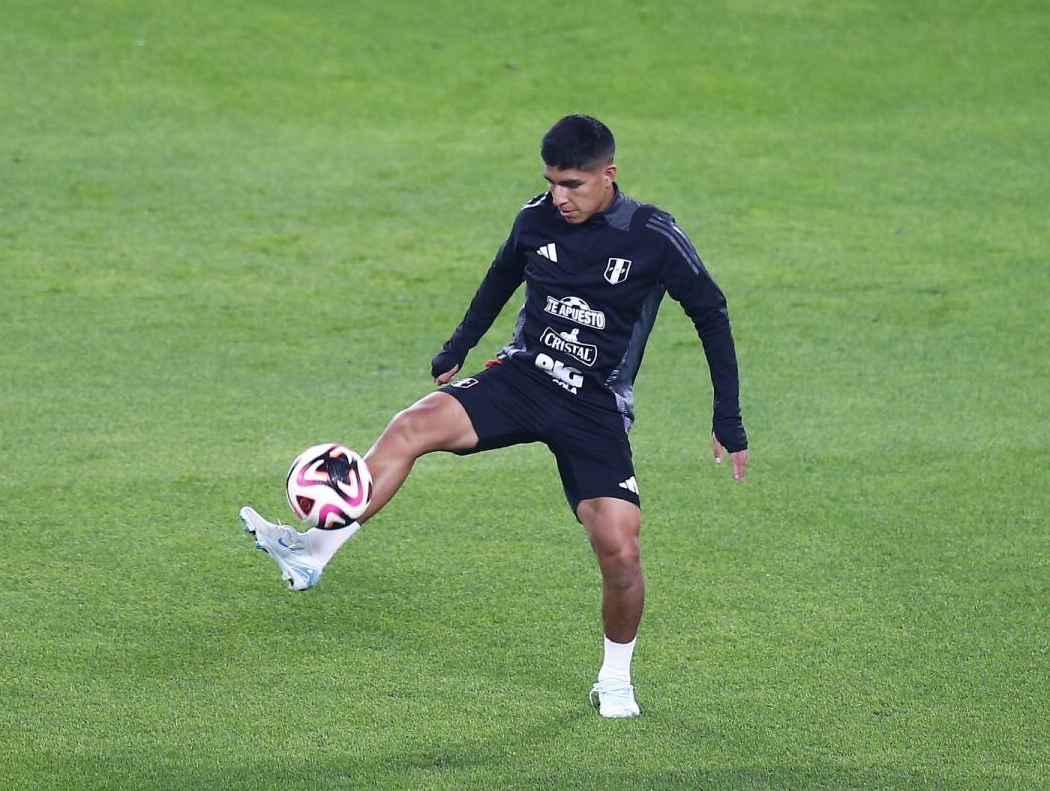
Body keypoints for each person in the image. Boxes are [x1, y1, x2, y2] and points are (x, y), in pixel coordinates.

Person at [239, 114, 748, 719]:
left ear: (608, 176)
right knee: (411, 426)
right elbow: (502, 275)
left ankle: (615, 679)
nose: (558, 197)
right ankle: (312, 553)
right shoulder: (535, 219)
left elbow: (711, 311)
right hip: (522, 378)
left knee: (620, 551)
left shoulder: (652, 236)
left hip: (593, 407)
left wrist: (728, 417)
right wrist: (459, 345)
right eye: (552, 182)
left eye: (573, 185)